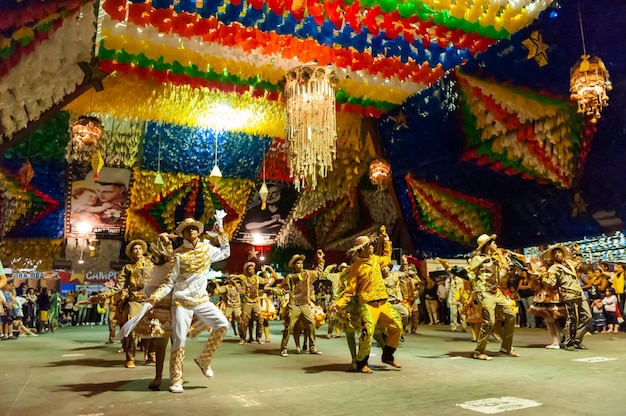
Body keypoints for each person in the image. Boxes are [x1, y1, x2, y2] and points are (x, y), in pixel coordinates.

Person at [147, 217, 231, 394]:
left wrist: (222, 232)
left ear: (199, 232)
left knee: (223, 324)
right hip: (181, 301)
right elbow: (169, 282)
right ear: (183, 234)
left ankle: (204, 359)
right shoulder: (178, 254)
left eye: (194, 228)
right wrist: (155, 296)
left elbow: (225, 253)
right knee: (179, 339)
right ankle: (176, 379)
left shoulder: (207, 248)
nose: (191, 231)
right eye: (187, 229)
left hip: (202, 300)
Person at [331, 228, 403, 373]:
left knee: (397, 327)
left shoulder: (376, 259)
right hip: (368, 305)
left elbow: (387, 258)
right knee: (368, 332)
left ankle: (388, 356)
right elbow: (350, 291)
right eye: (370, 245)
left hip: (383, 302)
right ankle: (361, 363)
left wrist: (387, 241)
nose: (372, 247)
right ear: (362, 249)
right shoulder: (355, 268)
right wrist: (338, 304)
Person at [468, 234, 519, 360]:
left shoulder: (494, 260)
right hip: (484, 292)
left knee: (511, 315)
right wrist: (476, 290)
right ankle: (479, 351)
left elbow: (498, 277)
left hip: (495, 293)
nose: (496, 245)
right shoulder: (478, 259)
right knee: (489, 321)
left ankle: (506, 347)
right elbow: (471, 274)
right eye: (493, 243)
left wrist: (505, 267)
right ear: (488, 245)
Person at [105, 239, 153, 368]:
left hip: (150, 300)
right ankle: (130, 358)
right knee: (131, 331)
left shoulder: (151, 263)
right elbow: (118, 287)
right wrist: (101, 296)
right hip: (134, 302)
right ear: (131, 253)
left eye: (139, 248)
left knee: (152, 329)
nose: (137, 250)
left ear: (143, 250)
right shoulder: (127, 268)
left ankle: (150, 355)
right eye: (134, 249)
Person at [540, 244, 591, 351]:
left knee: (587, 316)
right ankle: (569, 342)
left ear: (562, 253)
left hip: (579, 293)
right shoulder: (553, 268)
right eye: (555, 253)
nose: (557, 254)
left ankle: (576, 340)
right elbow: (551, 283)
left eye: (558, 252)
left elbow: (579, 263)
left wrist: (578, 251)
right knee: (573, 319)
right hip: (569, 294)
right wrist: (541, 276)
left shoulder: (569, 262)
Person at [276, 251, 325, 357]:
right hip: (294, 304)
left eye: (301, 263)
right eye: (298, 263)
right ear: (294, 265)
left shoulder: (308, 273)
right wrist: (274, 290)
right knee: (289, 326)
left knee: (311, 324)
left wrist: (320, 260)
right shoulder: (290, 277)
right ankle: (283, 348)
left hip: (305, 304)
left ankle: (312, 348)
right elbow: (284, 289)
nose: (301, 265)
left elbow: (319, 272)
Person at [215, 274, 243, 339]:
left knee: (239, 319)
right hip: (229, 306)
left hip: (237, 306)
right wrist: (217, 284)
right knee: (225, 319)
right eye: (231, 278)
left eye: (234, 278)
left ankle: (241, 334)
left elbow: (241, 292)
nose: (233, 279)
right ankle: (222, 334)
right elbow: (219, 290)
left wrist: (235, 283)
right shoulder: (226, 287)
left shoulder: (238, 286)